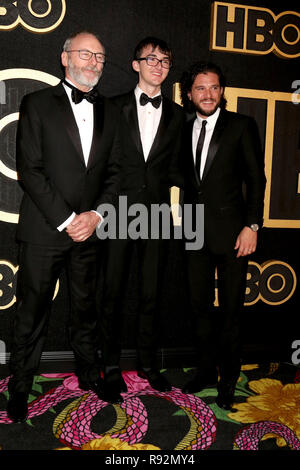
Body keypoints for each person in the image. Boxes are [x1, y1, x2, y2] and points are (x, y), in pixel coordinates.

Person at [7, 31, 120, 423]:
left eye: (101, 58)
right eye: (87, 54)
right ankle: (20, 385)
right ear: (65, 57)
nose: (94, 63)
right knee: (32, 311)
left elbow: (115, 173)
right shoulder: (36, 103)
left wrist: (97, 216)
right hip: (44, 230)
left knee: (87, 310)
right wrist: (69, 219)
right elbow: (31, 171)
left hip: (91, 231)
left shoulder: (111, 110)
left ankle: (91, 374)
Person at [99, 37, 184, 400]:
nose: (158, 65)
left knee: (151, 293)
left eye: (164, 60)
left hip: (158, 214)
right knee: (113, 293)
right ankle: (111, 367)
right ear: (136, 65)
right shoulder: (112, 106)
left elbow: (181, 166)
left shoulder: (180, 114)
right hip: (117, 213)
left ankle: (149, 365)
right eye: (151, 59)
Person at [180, 61, 266, 409]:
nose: (208, 94)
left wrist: (253, 225)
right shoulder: (181, 127)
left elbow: (256, 180)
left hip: (234, 233)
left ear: (222, 91)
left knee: (231, 310)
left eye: (214, 87)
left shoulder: (241, 126)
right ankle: (204, 371)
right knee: (199, 307)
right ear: (189, 94)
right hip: (193, 230)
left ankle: (228, 379)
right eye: (201, 88)